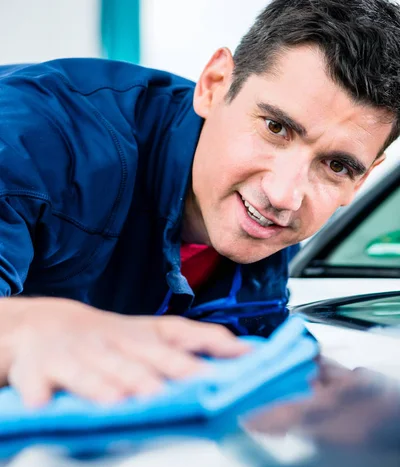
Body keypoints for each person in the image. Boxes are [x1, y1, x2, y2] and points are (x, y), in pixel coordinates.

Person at [0, 0, 399, 406]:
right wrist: (25, 327)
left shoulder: (259, 220)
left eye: (335, 165)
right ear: (214, 84)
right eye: (275, 128)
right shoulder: (37, 138)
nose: (284, 195)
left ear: (362, 179)